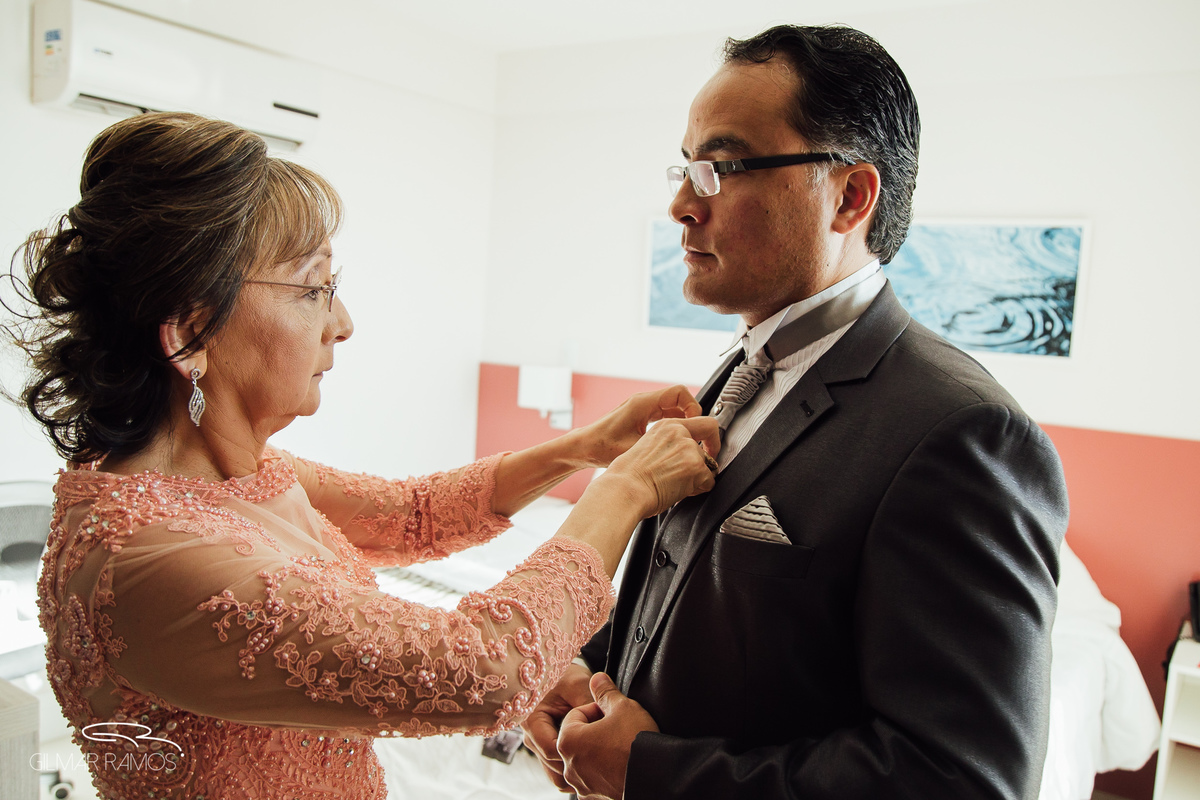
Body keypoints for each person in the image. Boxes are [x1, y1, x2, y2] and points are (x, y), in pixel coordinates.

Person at [3, 112, 721, 800]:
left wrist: (588, 447)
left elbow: (413, 514)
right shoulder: (149, 555)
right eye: (314, 289)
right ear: (191, 334)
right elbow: (481, 670)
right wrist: (622, 490)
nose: (342, 325)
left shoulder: (233, 478)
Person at [522, 24, 1069, 800]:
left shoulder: (960, 433)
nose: (681, 204)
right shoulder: (736, 375)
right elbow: (690, 597)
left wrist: (654, 773)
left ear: (849, 196)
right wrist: (587, 674)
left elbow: (963, 779)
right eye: (685, 168)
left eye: (722, 168)